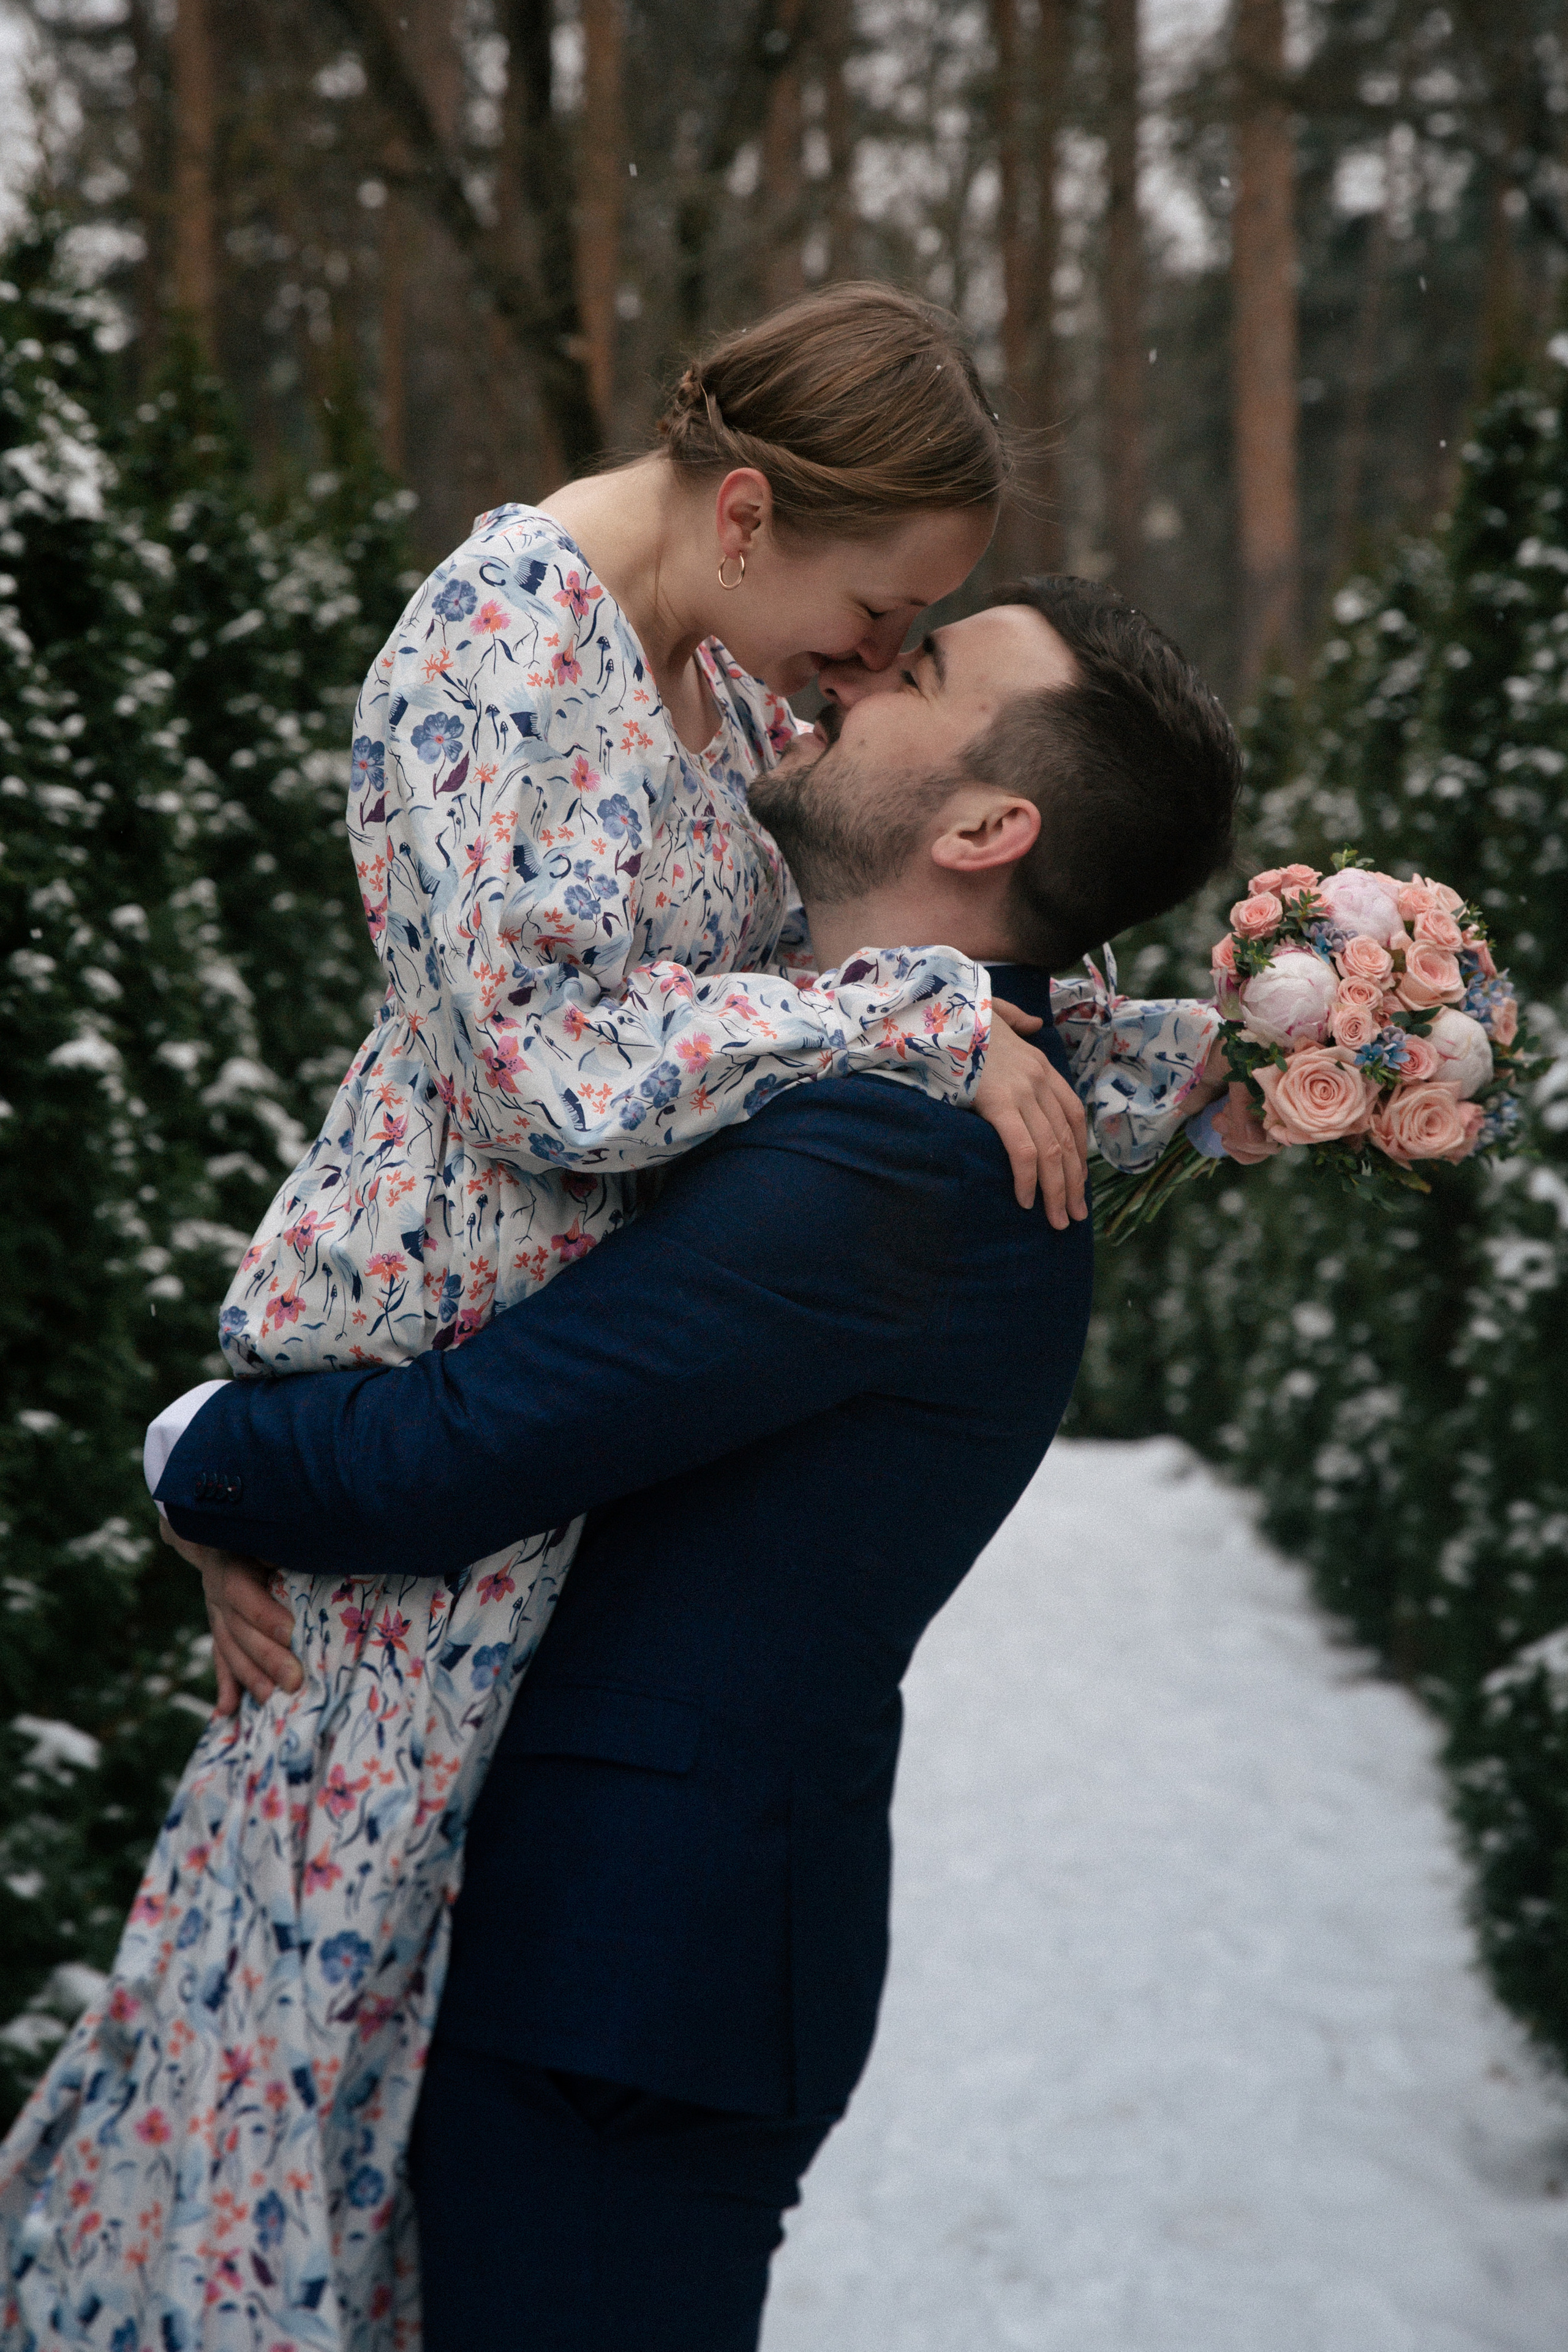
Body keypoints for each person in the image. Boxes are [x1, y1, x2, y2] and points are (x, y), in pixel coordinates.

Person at [144, 579, 1243, 2351]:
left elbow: (455, 1455)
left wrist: (205, 1447)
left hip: (630, 1978)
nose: (871, 671)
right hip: (631, 1958)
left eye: (929, 670)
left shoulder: (893, 1162)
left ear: (988, 825)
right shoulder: (908, 1062)